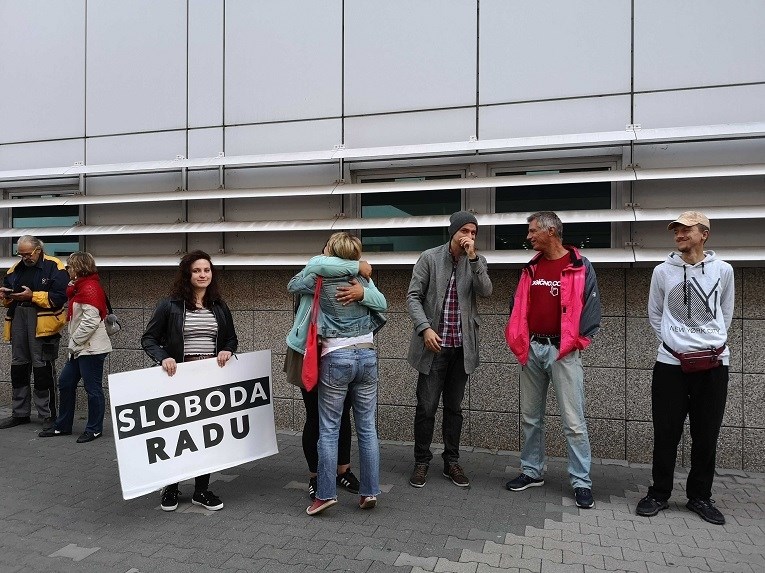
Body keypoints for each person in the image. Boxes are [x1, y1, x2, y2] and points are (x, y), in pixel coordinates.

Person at [636, 211, 733, 525]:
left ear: (704, 234)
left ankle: (700, 497)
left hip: (713, 365)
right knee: (666, 432)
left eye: (686, 229)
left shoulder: (723, 270)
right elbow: (655, 313)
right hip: (670, 364)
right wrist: (675, 342)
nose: (678, 234)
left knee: (706, 434)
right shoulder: (662, 271)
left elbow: (725, 314)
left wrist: (707, 342)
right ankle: (658, 493)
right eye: (675, 230)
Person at [505, 211, 601, 509]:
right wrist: (518, 338)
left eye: (533, 230)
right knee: (530, 417)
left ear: (551, 231)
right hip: (532, 348)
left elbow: (592, 308)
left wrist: (578, 342)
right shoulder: (531, 267)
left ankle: (581, 482)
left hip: (563, 351)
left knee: (573, 421)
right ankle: (532, 471)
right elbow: (518, 304)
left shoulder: (580, 266)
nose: (529, 236)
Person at [141, 250, 238, 512]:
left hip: (210, 378)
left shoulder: (219, 305)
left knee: (205, 435)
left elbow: (231, 338)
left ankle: (201, 490)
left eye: (206, 270)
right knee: (178, 434)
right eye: (196, 270)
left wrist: (227, 350)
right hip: (179, 377)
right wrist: (164, 357)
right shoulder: (170, 305)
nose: (202, 275)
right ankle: (171, 486)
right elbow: (149, 339)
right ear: (187, 274)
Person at [299, 232, 387, 515]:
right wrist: (361, 283)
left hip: (336, 356)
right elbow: (383, 305)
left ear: (331, 252)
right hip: (368, 355)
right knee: (367, 428)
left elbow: (295, 282)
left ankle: (325, 495)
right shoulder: (362, 279)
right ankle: (370, 492)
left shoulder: (319, 277)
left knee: (328, 429)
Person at [407, 211, 492, 489]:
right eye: (465, 231)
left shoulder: (476, 261)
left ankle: (451, 461)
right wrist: (425, 328)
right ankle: (422, 461)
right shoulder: (430, 258)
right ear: (453, 232)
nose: (469, 236)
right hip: (434, 346)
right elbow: (413, 297)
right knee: (427, 407)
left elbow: (486, 290)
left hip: (462, 347)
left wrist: (474, 259)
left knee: (454, 408)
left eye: (474, 232)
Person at [285, 244, 375, 501]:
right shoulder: (313, 274)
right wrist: (355, 265)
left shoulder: (357, 280)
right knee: (315, 416)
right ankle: (315, 476)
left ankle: (342, 470)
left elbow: (379, 305)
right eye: (328, 253)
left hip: (343, 353)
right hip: (309, 351)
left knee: (343, 414)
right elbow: (294, 284)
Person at [38, 252, 112, 443]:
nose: (67, 269)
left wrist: (74, 341)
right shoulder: (79, 287)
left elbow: (91, 321)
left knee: (92, 389)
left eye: (69, 266)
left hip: (91, 348)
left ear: (79, 267)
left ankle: (94, 429)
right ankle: (63, 426)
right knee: (66, 382)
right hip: (81, 348)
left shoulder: (89, 288)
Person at [0, 236, 69, 430]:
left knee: (42, 369)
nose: (24, 258)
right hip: (19, 318)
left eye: (27, 254)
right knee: (19, 367)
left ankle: (48, 415)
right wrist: (6, 295)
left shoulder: (54, 266)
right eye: (20, 254)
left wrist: (32, 296)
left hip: (42, 322)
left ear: (38, 250)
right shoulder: (15, 269)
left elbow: (60, 296)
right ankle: (20, 413)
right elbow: (7, 298)